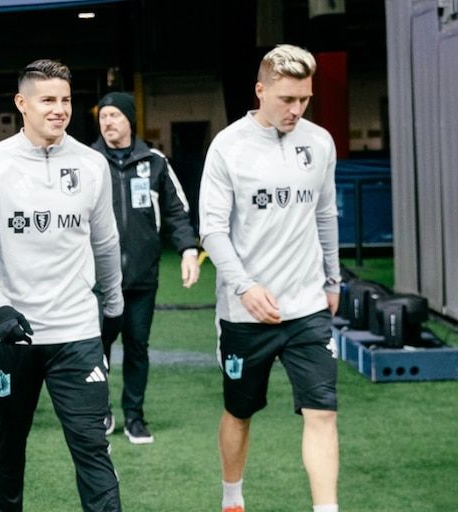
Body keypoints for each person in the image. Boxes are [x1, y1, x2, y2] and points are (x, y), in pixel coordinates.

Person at [0, 59, 125, 511]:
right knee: (9, 451)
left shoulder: (92, 164)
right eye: (48, 100)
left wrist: (113, 306)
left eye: (66, 100)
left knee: (93, 447)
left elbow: (106, 243)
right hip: (10, 335)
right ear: (22, 103)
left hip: (77, 332)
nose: (59, 109)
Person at [198, 44, 340, 512]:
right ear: (260, 91)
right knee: (240, 412)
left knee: (322, 412)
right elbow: (212, 230)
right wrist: (244, 286)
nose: (296, 109)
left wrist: (332, 279)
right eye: (287, 99)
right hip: (246, 313)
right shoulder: (228, 146)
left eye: (304, 99)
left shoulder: (319, 142)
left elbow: (325, 214)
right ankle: (232, 500)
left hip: (307, 307)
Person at [90, 92, 200, 444]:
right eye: (103, 116)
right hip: (97, 281)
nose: (108, 122)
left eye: (115, 115)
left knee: (137, 347)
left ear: (130, 120)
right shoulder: (86, 161)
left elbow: (176, 211)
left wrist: (188, 251)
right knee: (96, 349)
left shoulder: (154, 162)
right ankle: (101, 411)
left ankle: (134, 418)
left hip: (142, 278)